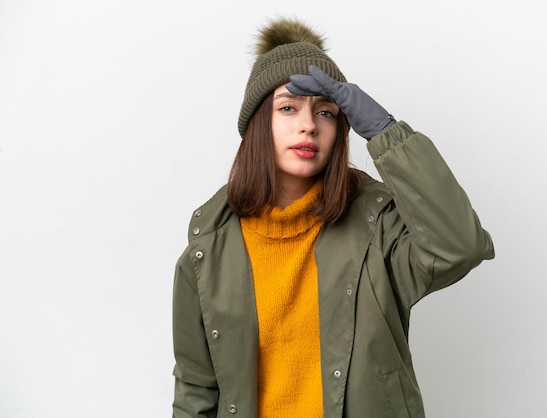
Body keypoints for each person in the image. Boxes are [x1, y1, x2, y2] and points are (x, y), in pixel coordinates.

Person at [171, 17, 494, 418]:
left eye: (326, 113)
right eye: (287, 108)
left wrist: (384, 132)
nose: (308, 125)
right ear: (257, 125)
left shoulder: (378, 226)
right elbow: (195, 389)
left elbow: (460, 247)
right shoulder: (208, 248)